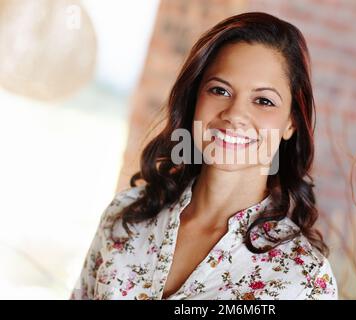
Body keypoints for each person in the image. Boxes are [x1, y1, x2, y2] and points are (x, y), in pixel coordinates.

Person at [70, 11, 338, 300]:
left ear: (291, 123)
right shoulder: (125, 216)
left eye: (263, 100)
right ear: (195, 98)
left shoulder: (302, 280)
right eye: (220, 90)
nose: (234, 114)